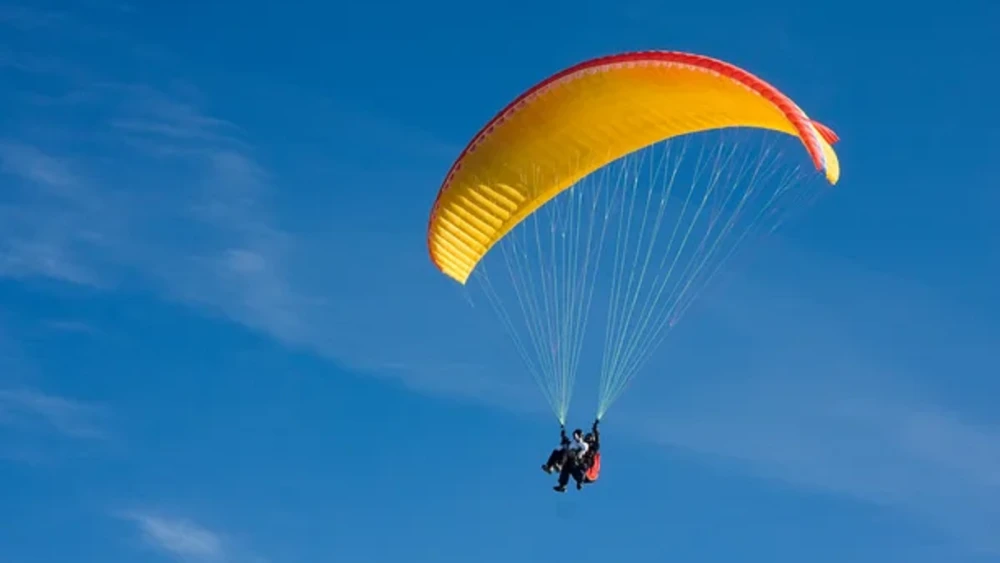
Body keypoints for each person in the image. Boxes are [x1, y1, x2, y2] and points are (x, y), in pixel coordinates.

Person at [552, 425, 590, 492]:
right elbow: (567, 442)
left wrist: (578, 440)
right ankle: (562, 486)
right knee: (565, 469)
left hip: (576, 461)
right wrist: (563, 435)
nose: (574, 437)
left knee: (579, 473)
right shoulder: (572, 443)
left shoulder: (584, 444)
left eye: (577, 435)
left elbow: (584, 448)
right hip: (569, 462)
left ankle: (580, 482)